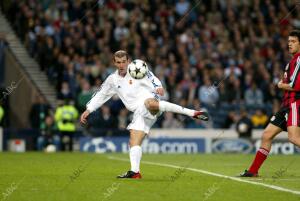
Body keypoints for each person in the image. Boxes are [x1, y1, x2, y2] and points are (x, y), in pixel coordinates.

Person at [80, 50, 209, 179]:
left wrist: (158, 87)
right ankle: (135, 172)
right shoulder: (112, 80)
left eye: (124, 62)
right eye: (118, 62)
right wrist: (89, 109)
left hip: (149, 101)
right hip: (138, 113)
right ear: (114, 63)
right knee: (133, 141)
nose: (121, 65)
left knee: (149, 103)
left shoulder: (137, 69)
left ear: (128, 61)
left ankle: (192, 112)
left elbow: (151, 77)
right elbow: (101, 94)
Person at [240, 30, 300, 177]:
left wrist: (280, 85)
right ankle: (253, 171)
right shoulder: (291, 62)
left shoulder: (299, 60)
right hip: (286, 106)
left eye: (293, 41)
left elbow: (296, 85)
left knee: (293, 138)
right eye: (288, 42)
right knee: (267, 135)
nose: (289, 44)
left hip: (295, 104)